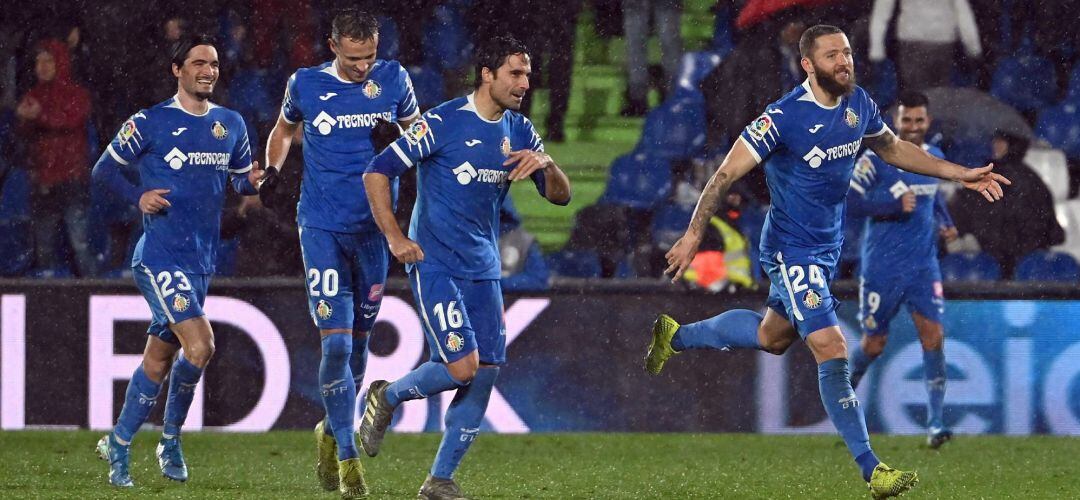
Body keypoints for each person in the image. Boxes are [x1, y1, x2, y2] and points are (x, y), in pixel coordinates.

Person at [644, 25, 1009, 498]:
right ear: (808, 65)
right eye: (833, 55)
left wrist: (958, 174)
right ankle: (872, 470)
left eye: (848, 53)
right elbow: (725, 174)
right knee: (833, 347)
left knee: (770, 337)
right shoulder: (782, 117)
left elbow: (894, 148)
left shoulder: (859, 104)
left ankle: (677, 336)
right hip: (790, 249)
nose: (845, 61)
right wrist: (694, 232)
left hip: (826, 247)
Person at [359, 35, 571, 499]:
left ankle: (439, 480)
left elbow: (560, 196)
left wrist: (547, 162)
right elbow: (377, 171)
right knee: (461, 367)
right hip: (435, 262)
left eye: (528, 75)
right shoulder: (441, 123)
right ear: (488, 74)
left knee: (487, 368)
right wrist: (395, 237)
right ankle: (387, 396)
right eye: (515, 73)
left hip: (483, 266)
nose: (524, 83)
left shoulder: (520, 130)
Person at [90, 34, 265, 488]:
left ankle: (119, 445)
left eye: (214, 64)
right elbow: (103, 171)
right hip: (159, 256)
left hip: (201, 261)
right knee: (202, 345)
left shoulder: (231, 124)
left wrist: (258, 181)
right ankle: (170, 438)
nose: (209, 70)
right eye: (199, 63)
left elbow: (242, 184)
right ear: (178, 69)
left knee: (157, 359)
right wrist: (138, 195)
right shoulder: (148, 122)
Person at [258, 9, 419, 499]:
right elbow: (284, 131)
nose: (362, 67)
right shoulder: (304, 84)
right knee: (334, 344)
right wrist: (272, 169)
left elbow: (424, 136)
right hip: (322, 228)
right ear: (333, 46)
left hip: (374, 230)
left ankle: (330, 433)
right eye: (353, 59)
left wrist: (400, 142)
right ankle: (349, 462)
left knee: (358, 347)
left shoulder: (395, 80)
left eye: (369, 56)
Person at [845, 91, 958, 449]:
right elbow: (849, 202)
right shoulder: (874, 159)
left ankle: (936, 423)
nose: (912, 127)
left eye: (919, 120)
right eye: (906, 120)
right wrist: (892, 205)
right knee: (874, 344)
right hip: (883, 267)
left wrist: (946, 222)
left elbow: (933, 198)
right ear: (896, 120)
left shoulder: (934, 157)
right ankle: (840, 403)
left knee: (934, 336)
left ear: (928, 121)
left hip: (923, 267)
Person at [16, 38, 95, 277]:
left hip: (71, 179)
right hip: (43, 181)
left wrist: (38, 115)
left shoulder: (77, 94)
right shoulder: (32, 95)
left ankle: (94, 294)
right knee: (43, 247)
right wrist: (22, 119)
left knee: (80, 243)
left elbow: (70, 119)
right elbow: (22, 135)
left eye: (48, 60)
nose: (42, 66)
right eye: (38, 61)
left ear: (60, 62)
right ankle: (46, 302)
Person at [949, 130, 1064, 277]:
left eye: (1001, 142)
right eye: (995, 141)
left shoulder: (1019, 178)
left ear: (1013, 145)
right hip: (1008, 258)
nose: (995, 145)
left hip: (1008, 258)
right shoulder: (1029, 177)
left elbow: (1033, 224)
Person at [868, 0, 982, 91]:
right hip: (942, 40)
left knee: (913, 95)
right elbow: (962, 11)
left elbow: (881, 12)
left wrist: (876, 49)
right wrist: (973, 46)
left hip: (911, 39)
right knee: (940, 94)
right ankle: (934, 116)